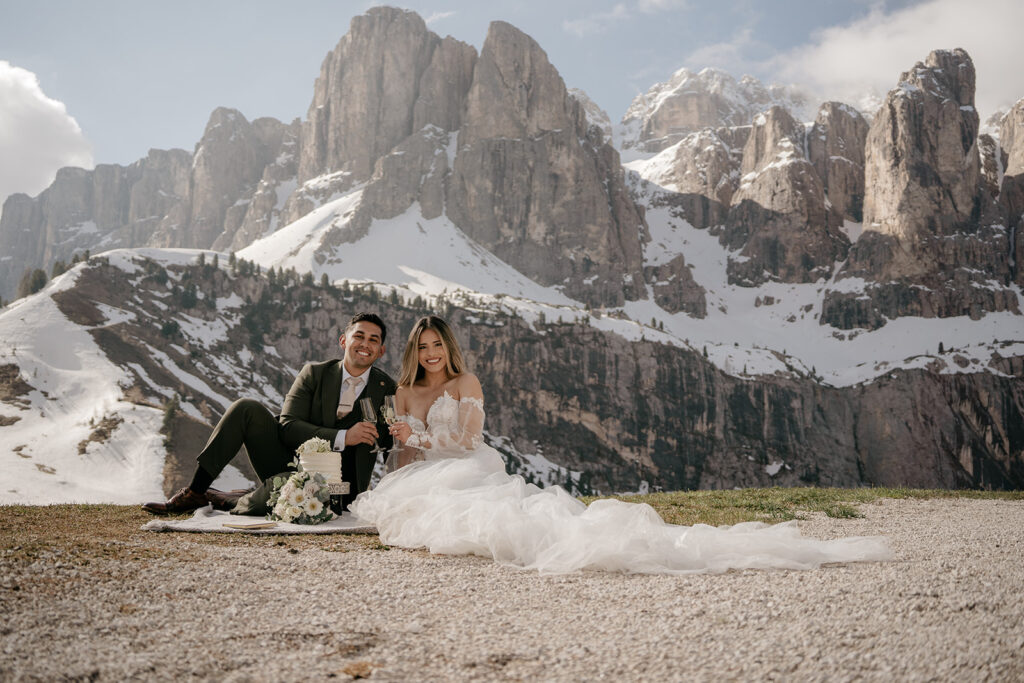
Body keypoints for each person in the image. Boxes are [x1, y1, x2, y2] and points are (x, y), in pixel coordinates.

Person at [350, 315, 892, 575]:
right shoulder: (401, 390)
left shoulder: (466, 384)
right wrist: (403, 452)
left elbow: (469, 440)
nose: (430, 355)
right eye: (422, 348)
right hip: (424, 472)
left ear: (449, 347)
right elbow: (406, 453)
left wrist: (420, 434)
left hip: (466, 467)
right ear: (412, 352)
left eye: (437, 345)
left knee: (503, 520)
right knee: (417, 511)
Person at [142, 312, 397, 515]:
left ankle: (233, 501)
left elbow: (390, 447)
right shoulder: (314, 374)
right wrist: (343, 436)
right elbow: (287, 427)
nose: (365, 344)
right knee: (246, 408)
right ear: (344, 341)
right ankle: (196, 493)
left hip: (341, 491)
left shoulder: (387, 390)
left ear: (381, 351)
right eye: (359, 336)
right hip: (289, 465)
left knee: (287, 489)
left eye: (374, 340)